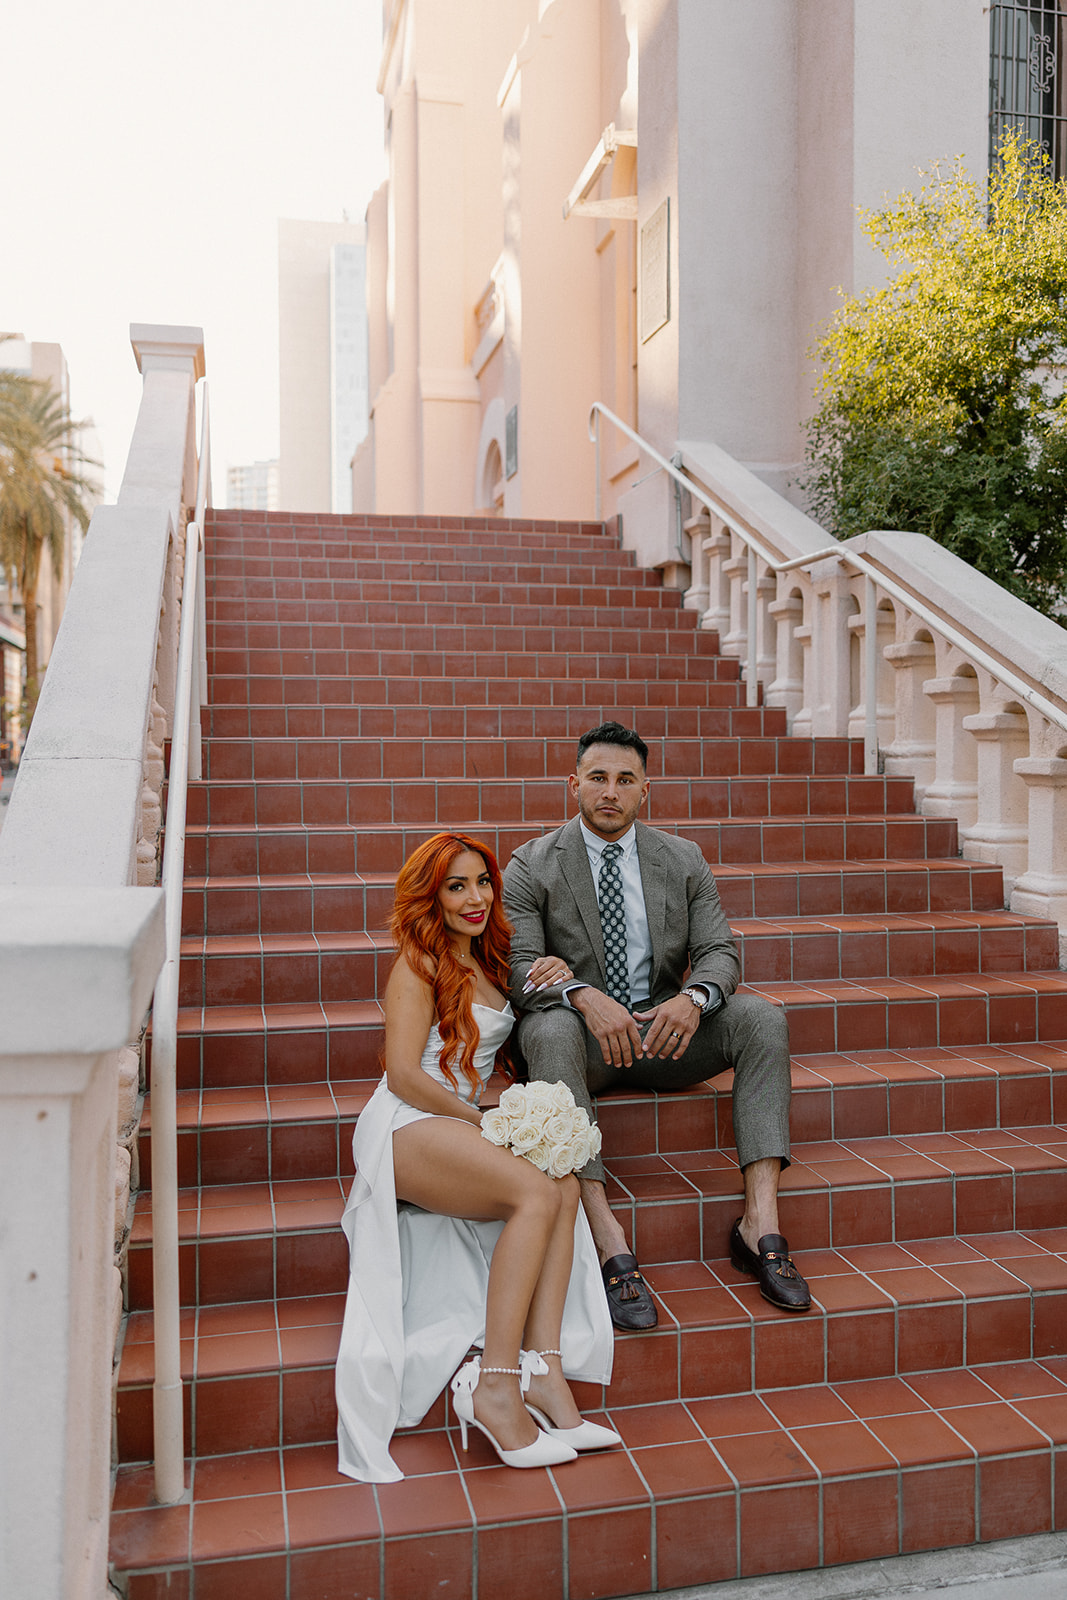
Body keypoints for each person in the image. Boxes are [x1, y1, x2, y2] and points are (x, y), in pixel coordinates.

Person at [502, 722, 811, 1331]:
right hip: (585, 1041)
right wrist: (582, 994)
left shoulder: (682, 857)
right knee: (548, 1032)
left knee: (761, 1020)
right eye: (597, 778)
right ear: (574, 785)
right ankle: (605, 1232)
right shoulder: (531, 864)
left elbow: (721, 951)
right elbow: (517, 970)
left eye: (625, 780)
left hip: (666, 1032)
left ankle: (760, 1224)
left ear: (645, 789)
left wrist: (694, 998)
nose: (610, 791)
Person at [335, 830, 617, 1483]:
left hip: (453, 1121)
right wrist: (486, 1122)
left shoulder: (491, 963)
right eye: (455, 885)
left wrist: (557, 977)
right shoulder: (417, 965)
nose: (474, 897)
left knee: (565, 1185)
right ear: (428, 896)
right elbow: (404, 1074)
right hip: (406, 1122)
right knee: (532, 1192)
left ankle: (543, 1373)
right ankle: (495, 1385)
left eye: (481, 882)